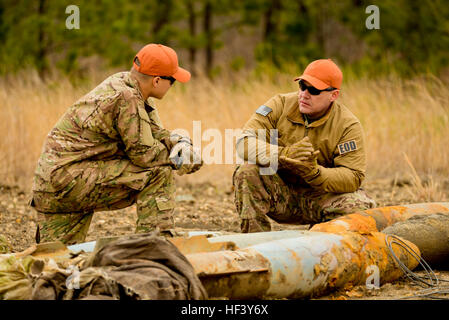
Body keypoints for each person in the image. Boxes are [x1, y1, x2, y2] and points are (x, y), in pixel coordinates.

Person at [31, 43, 202, 244]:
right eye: (172, 80)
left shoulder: (126, 85)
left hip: (53, 185)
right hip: (68, 181)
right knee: (158, 173)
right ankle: (153, 248)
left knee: (56, 261)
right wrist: (178, 159)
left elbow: (153, 132)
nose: (173, 85)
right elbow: (144, 154)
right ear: (157, 80)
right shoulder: (127, 97)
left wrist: (178, 142)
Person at [234, 59, 376, 233]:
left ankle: (323, 238)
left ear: (334, 95)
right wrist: (284, 154)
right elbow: (243, 142)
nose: (305, 94)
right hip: (281, 194)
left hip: (320, 197)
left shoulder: (347, 125)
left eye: (314, 90)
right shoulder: (280, 105)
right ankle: (254, 242)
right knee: (246, 171)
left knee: (359, 205)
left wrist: (315, 172)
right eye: (302, 86)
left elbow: (353, 176)